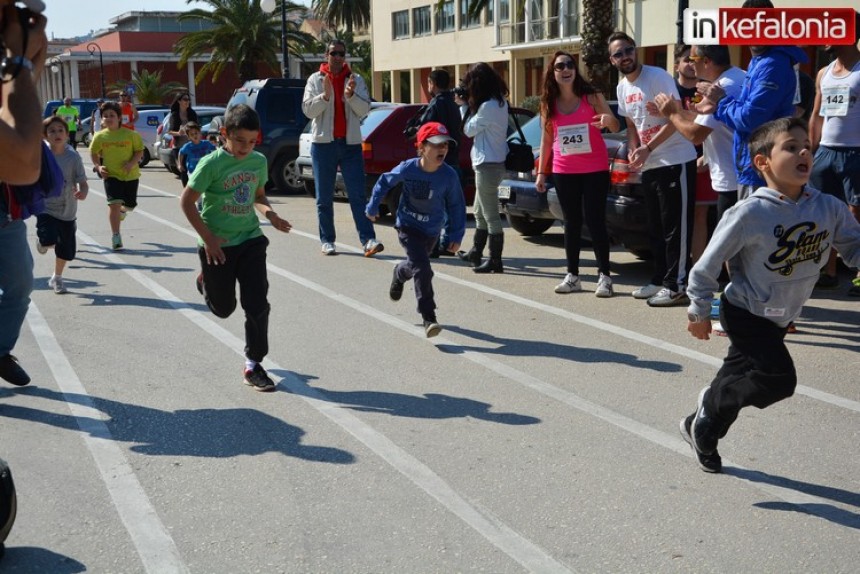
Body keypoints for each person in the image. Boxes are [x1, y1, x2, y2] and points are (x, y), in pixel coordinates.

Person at [680, 117, 860, 473]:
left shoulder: (829, 208)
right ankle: (711, 406)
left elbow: (854, 245)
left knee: (735, 377)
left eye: (806, 146)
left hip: (782, 313)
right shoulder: (749, 213)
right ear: (763, 162)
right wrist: (698, 311)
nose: (803, 152)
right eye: (791, 147)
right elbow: (707, 265)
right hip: (746, 310)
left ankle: (700, 428)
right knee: (778, 380)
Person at [179, 104, 292, 392]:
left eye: (252, 141)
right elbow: (186, 202)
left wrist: (272, 215)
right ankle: (205, 280)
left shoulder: (257, 162)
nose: (246, 147)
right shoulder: (211, 164)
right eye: (240, 140)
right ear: (224, 134)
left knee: (257, 304)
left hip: (250, 239)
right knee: (223, 308)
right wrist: (209, 239)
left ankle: (254, 364)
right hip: (218, 244)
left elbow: (259, 197)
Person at [608, 32, 698, 306]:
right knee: (656, 228)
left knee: (676, 228)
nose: (625, 56)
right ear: (612, 60)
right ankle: (660, 279)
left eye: (628, 50)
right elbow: (633, 125)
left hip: (675, 160)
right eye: (618, 53)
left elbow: (677, 117)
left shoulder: (657, 76)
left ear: (636, 51)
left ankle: (677, 285)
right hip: (650, 165)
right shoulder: (622, 88)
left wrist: (649, 147)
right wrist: (637, 149)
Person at [696, 0, 807, 203]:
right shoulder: (760, 60)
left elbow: (750, 119)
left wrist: (720, 101)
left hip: (763, 167)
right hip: (754, 165)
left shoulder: (773, 64)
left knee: (756, 233)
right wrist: (718, 105)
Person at [366, 122, 466, 337]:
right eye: (437, 145)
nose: (442, 149)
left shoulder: (448, 176)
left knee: (415, 265)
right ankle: (429, 317)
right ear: (421, 147)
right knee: (424, 268)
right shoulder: (408, 168)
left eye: (446, 145)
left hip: (431, 230)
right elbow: (384, 181)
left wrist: (455, 234)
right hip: (408, 226)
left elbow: (456, 205)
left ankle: (400, 272)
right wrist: (373, 206)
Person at [534, 51, 620, 297]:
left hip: (595, 168)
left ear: (575, 68)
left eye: (570, 64)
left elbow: (615, 124)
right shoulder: (548, 102)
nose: (565, 69)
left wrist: (607, 120)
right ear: (553, 72)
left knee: (595, 221)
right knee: (570, 223)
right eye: (560, 66)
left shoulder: (591, 96)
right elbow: (547, 138)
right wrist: (542, 172)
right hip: (564, 169)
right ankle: (572, 275)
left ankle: (604, 276)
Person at [0, 0, 48, 388]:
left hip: (3, 210)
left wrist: (26, 58)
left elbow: (20, 102)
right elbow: (23, 162)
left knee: (20, 284)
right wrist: (20, 61)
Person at [302, 39, 383, 257]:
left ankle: (368, 240)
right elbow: (308, 111)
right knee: (324, 197)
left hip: (350, 146)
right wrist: (325, 96)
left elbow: (365, 109)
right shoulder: (315, 80)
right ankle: (327, 240)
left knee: (357, 195)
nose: (337, 57)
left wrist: (350, 96)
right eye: (333, 53)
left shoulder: (355, 80)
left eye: (341, 53)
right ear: (326, 56)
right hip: (323, 146)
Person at [809, 13, 860, 294]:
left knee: (855, 215)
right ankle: (827, 272)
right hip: (826, 153)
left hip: (856, 152)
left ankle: (859, 273)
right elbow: (816, 115)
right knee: (824, 212)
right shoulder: (823, 72)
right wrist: (809, 150)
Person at [457, 62, 509, 274]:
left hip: (488, 166)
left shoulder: (488, 106)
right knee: (479, 211)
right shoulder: (499, 102)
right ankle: (476, 252)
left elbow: (468, 130)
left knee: (490, 215)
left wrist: (462, 106)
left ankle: (495, 260)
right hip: (491, 164)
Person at [35, 117, 88, 294]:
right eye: (52, 131)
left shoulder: (73, 157)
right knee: (48, 239)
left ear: (67, 134)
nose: (56, 134)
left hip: (68, 209)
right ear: (45, 135)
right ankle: (43, 241)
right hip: (46, 207)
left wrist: (83, 192)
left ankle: (56, 277)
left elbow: (83, 182)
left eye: (60, 130)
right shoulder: (41, 155)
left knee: (66, 252)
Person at [416, 69, 463, 256]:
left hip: (437, 160)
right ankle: (449, 243)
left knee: (434, 204)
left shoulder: (436, 104)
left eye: (429, 83)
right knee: (451, 204)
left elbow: (426, 129)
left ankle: (433, 244)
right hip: (454, 158)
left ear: (432, 84)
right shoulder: (454, 105)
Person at [89, 101, 145, 251]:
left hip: (130, 175)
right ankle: (116, 235)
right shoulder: (100, 136)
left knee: (130, 206)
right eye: (105, 116)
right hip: (111, 175)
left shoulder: (131, 135)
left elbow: (139, 151)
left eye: (112, 115)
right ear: (101, 119)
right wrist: (98, 166)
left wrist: (131, 164)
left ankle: (123, 211)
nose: (108, 118)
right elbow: (94, 153)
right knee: (113, 204)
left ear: (119, 117)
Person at [167, 90, 198, 179]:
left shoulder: (192, 113)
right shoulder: (174, 115)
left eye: (188, 99)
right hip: (179, 147)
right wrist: (178, 133)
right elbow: (170, 131)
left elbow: (197, 127)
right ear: (179, 101)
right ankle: (186, 190)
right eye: (185, 99)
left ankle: (192, 190)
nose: (187, 101)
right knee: (183, 171)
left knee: (193, 170)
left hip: (191, 145)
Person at [177, 121, 215, 190]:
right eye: (192, 134)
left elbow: (216, 149)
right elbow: (181, 152)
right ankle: (198, 200)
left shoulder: (206, 144)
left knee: (206, 188)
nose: (195, 135)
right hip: (193, 172)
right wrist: (180, 164)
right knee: (196, 188)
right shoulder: (188, 146)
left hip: (205, 171)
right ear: (188, 137)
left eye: (196, 133)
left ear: (200, 133)